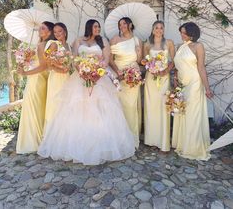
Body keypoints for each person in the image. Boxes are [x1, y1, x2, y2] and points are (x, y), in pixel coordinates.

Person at [38, 19, 135, 165]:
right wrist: (83, 73)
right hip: (81, 77)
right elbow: (75, 59)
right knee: (79, 108)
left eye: (98, 27)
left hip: (99, 77)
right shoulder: (78, 41)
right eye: (95, 27)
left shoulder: (103, 41)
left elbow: (106, 59)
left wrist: (96, 73)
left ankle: (101, 143)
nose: (98, 29)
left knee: (100, 108)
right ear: (89, 27)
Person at [172, 22, 213, 160]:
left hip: (195, 84)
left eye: (184, 32)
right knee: (183, 113)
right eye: (181, 32)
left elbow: (201, 68)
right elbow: (178, 66)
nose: (182, 35)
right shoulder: (180, 47)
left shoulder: (198, 46)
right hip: (183, 84)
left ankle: (193, 147)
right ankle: (183, 144)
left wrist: (207, 88)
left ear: (192, 33)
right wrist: (176, 77)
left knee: (192, 115)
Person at [16, 21, 55, 154]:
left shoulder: (42, 45)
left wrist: (26, 72)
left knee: (33, 108)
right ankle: (37, 140)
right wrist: (25, 59)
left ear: (49, 32)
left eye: (42, 28)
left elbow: (43, 66)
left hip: (36, 79)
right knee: (37, 108)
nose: (39, 30)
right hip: (40, 79)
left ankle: (33, 142)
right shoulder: (43, 44)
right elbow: (40, 63)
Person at [110, 17, 142, 148]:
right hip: (118, 76)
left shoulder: (137, 40)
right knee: (118, 106)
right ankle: (118, 138)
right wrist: (118, 72)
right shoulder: (115, 39)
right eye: (120, 24)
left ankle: (131, 138)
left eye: (124, 23)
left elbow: (139, 61)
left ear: (130, 25)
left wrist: (139, 53)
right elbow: (110, 59)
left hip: (132, 77)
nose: (122, 26)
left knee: (130, 106)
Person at [143, 21, 175, 152]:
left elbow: (173, 61)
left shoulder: (169, 43)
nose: (159, 30)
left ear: (164, 30)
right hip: (151, 78)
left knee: (162, 107)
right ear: (152, 29)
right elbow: (143, 60)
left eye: (161, 28)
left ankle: (163, 141)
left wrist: (165, 71)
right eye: (156, 28)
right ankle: (151, 140)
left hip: (164, 78)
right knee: (151, 107)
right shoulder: (147, 44)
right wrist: (150, 65)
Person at [43, 23, 71, 135]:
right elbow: (47, 63)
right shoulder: (54, 44)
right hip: (56, 78)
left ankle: (64, 134)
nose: (57, 34)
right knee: (55, 104)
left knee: (66, 105)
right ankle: (52, 134)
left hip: (67, 78)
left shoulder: (68, 46)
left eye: (60, 31)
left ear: (65, 31)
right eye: (55, 32)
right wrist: (60, 69)